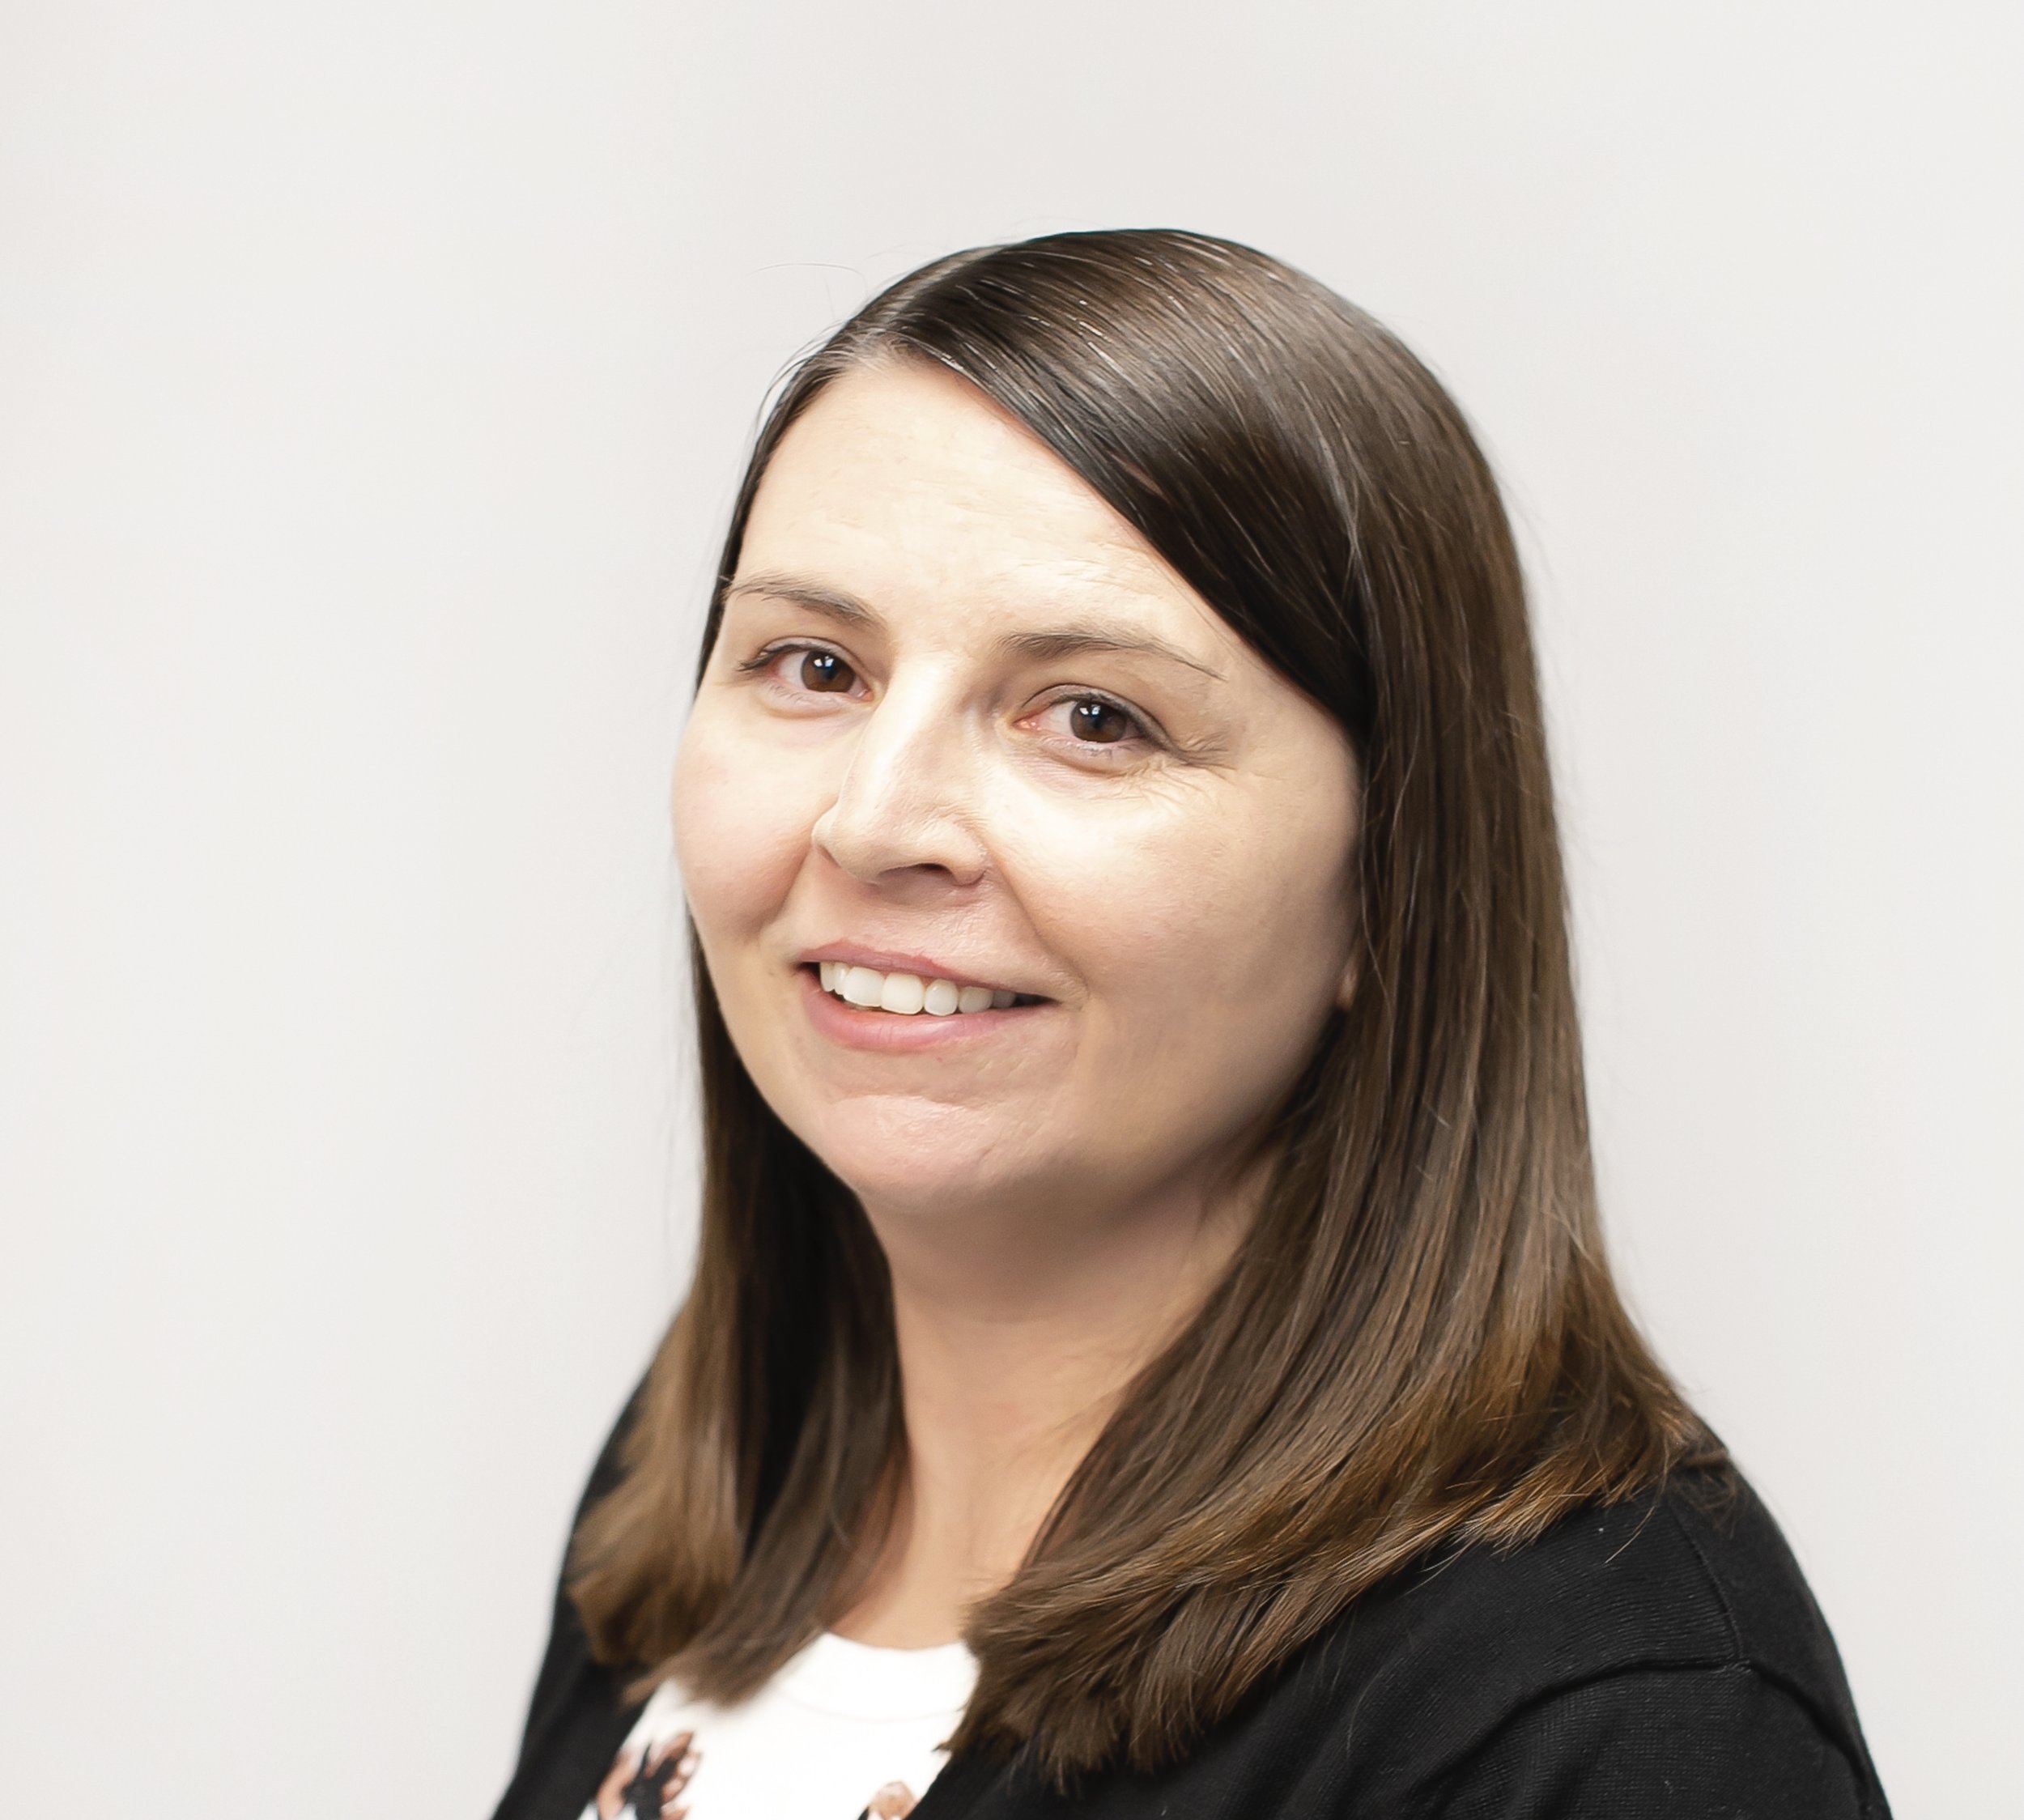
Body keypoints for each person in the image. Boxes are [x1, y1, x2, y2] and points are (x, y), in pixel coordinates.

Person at [492, 229, 1890, 1819]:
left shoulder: (1606, 1717)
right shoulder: (717, 1473)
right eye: (813, 664)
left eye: (1093, 716)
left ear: (1386, 884)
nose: (875, 822)